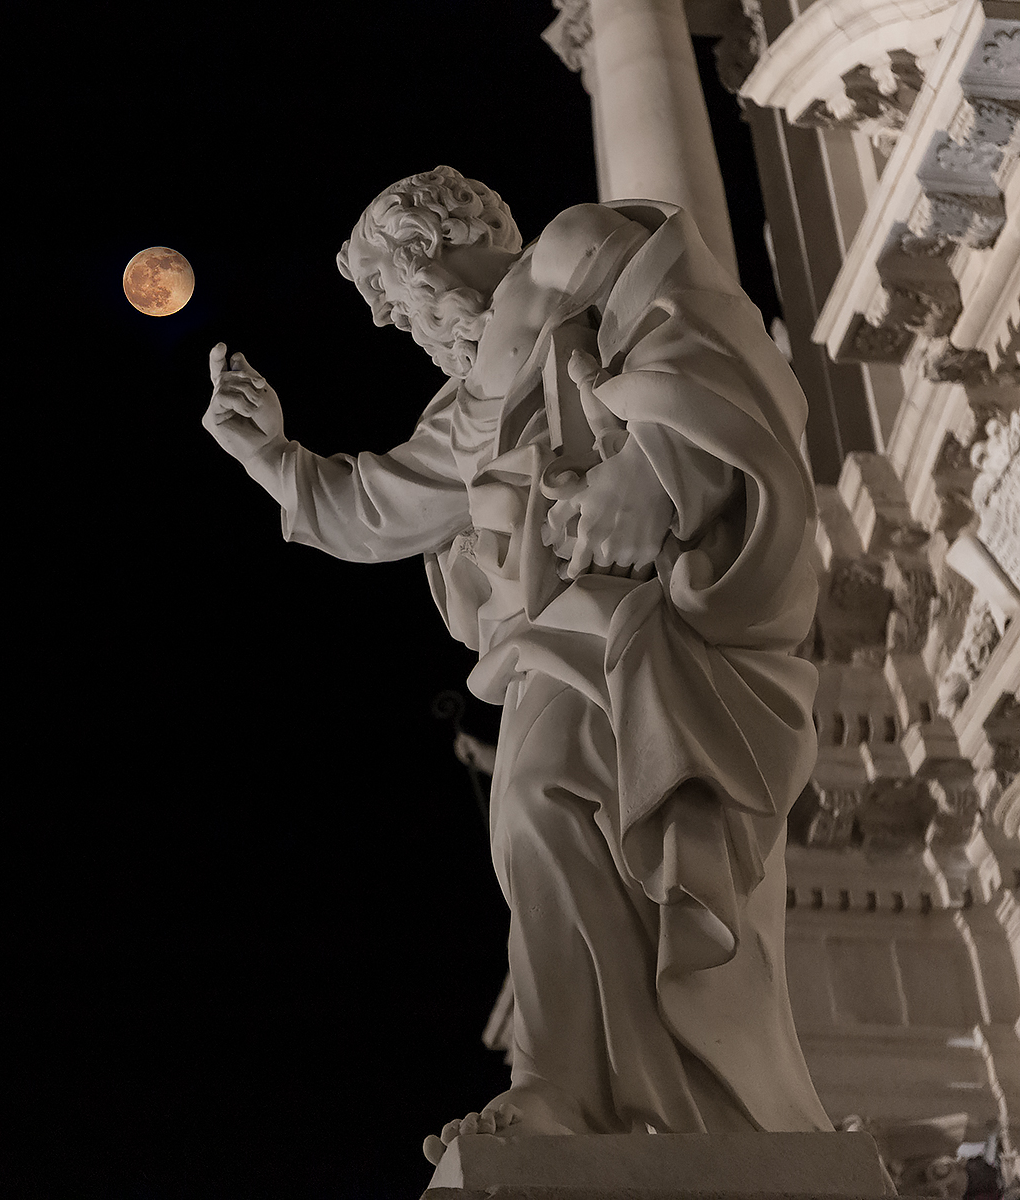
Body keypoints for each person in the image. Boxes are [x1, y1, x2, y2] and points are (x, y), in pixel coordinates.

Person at [202, 167, 831, 1159]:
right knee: (533, 816)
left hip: (652, 613)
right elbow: (377, 509)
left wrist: (651, 466)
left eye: (388, 291)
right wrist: (269, 454)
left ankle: (574, 1090)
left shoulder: (575, 248)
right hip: (561, 633)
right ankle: (571, 1089)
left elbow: (714, 339)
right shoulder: (468, 406)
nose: (390, 320)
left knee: (556, 800)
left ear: (431, 246)